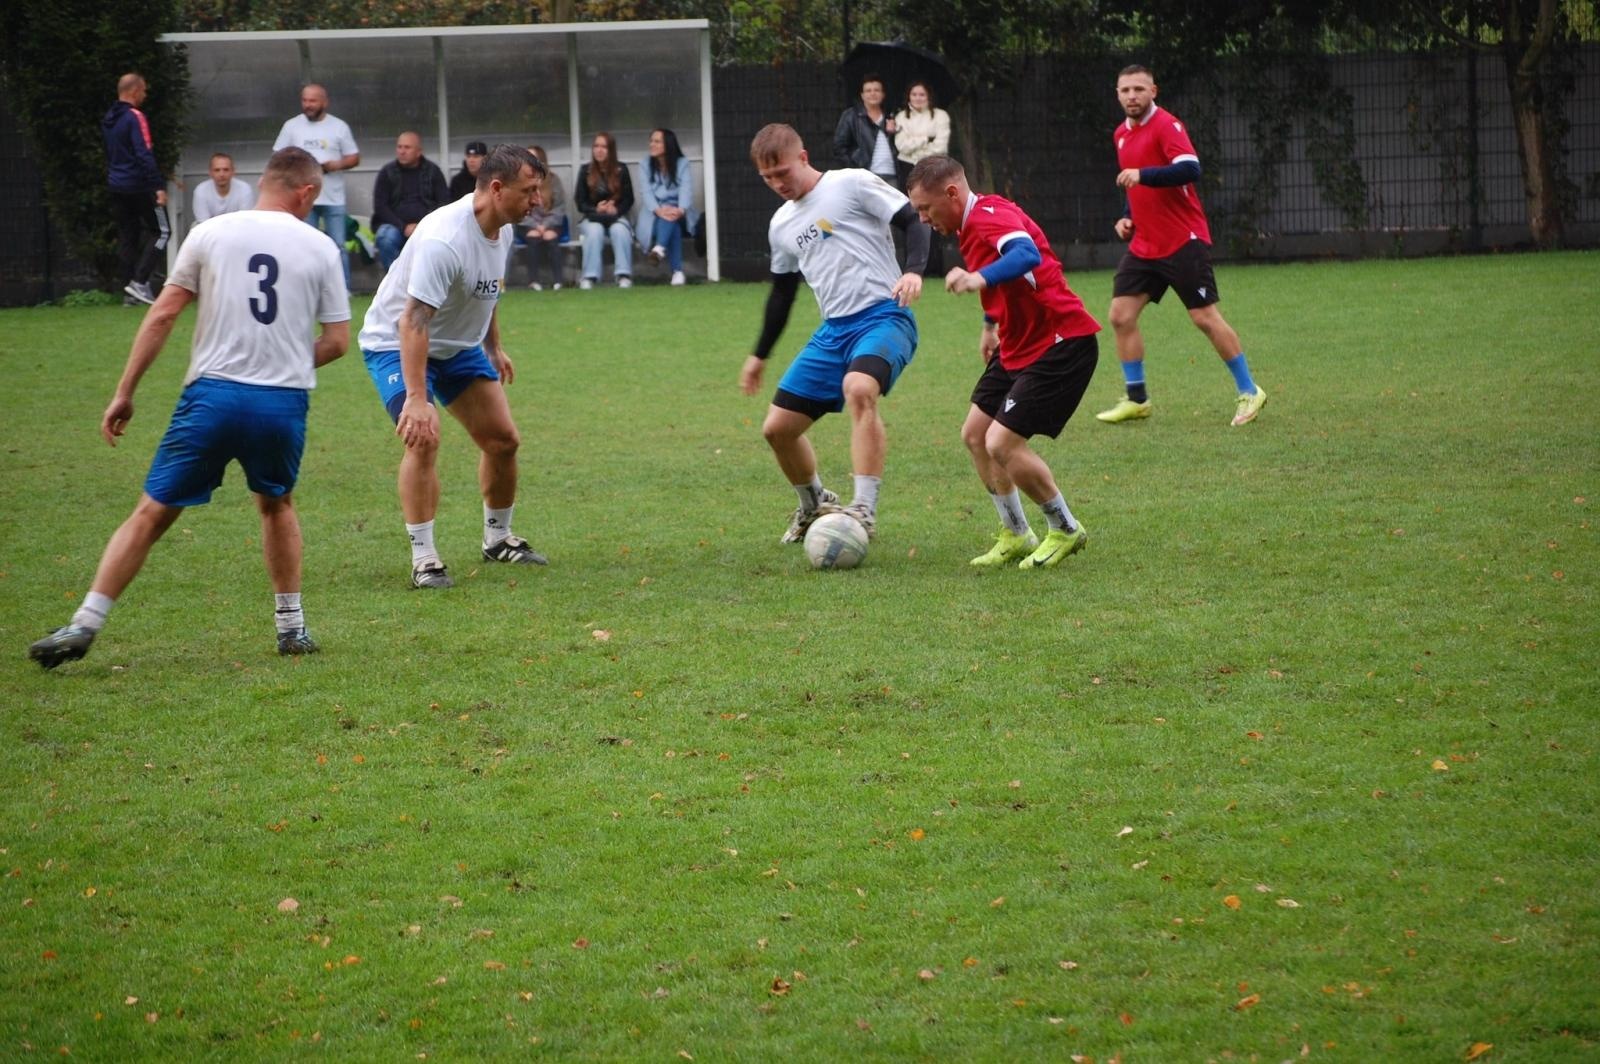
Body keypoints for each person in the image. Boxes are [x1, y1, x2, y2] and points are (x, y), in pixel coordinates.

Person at [28, 148, 351, 670]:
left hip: (212, 397)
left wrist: (126, 391)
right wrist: (287, 360)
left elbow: (162, 316)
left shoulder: (210, 232)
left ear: (261, 182)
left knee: (152, 512)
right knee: (276, 504)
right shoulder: (320, 247)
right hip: (280, 403)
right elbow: (337, 342)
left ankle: (85, 623)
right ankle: (291, 628)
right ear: (308, 192)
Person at [357, 144, 549, 590]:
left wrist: (494, 346)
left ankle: (498, 539)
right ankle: (424, 558)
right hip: (396, 342)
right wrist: (419, 399)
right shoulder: (444, 238)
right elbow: (413, 321)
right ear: (497, 188)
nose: (537, 202)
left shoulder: (503, 228)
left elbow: (486, 290)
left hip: (457, 347)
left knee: (503, 441)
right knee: (423, 438)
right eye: (530, 191)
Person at [907, 155, 1101, 570]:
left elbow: (1025, 255)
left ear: (952, 193)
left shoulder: (988, 218)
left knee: (1001, 443)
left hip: (1061, 341)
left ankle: (1065, 527)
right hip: (1018, 343)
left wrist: (979, 279)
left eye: (925, 208)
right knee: (976, 434)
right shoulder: (972, 222)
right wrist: (989, 323)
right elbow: (1007, 277)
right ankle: (1016, 532)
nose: (922, 219)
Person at [740, 123, 929, 544]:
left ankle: (863, 509)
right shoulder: (781, 225)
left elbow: (914, 220)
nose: (777, 184)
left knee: (859, 388)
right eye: (767, 178)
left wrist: (914, 270)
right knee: (777, 429)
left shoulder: (852, 183)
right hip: (833, 332)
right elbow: (782, 293)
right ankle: (814, 503)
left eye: (783, 172)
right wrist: (760, 354)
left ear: (803, 158)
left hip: (884, 317)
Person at [1098, 65, 1266, 428]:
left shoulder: (1167, 126)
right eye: (1125, 90)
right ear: (1117, 93)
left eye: (1139, 89)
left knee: (1204, 317)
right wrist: (1127, 216)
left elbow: (1190, 168)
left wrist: (1143, 175)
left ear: (1153, 91)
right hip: (1145, 243)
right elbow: (1133, 186)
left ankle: (1250, 390)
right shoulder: (1121, 135)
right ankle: (1137, 399)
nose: (1132, 96)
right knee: (1120, 315)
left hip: (1181, 239)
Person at [272, 83, 359, 288]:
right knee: (304, 246)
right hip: (301, 198)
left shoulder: (339, 126)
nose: (308, 105)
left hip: (333, 197)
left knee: (337, 245)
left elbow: (354, 157)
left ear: (324, 102)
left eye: (313, 100)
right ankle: (305, 286)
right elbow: (278, 156)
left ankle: (342, 289)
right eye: (305, 100)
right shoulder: (291, 126)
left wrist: (335, 165)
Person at [102, 72, 170, 306]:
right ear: (134, 91)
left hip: (117, 186)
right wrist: (158, 186)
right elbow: (144, 153)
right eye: (143, 90)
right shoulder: (135, 117)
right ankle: (140, 283)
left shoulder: (110, 117)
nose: (145, 94)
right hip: (139, 185)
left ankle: (129, 293)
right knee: (162, 232)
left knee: (128, 236)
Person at [371, 131, 450, 270]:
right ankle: (395, 280)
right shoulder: (387, 172)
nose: (402, 151)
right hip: (395, 226)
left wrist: (421, 225)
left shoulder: (433, 171)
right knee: (384, 237)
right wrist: (403, 226)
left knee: (438, 241)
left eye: (407, 147)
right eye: (399, 147)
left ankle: (422, 283)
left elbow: (443, 203)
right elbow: (380, 206)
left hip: (427, 227)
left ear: (418, 151)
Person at [573, 132, 634, 289]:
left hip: (616, 217)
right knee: (594, 231)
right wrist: (596, 208)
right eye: (596, 146)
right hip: (592, 218)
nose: (599, 150)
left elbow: (629, 199)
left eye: (604, 147)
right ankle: (589, 277)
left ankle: (623, 275)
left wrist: (615, 209)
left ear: (611, 150)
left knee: (620, 230)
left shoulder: (622, 169)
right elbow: (580, 202)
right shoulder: (585, 170)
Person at [639, 128, 696, 287]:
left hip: (680, 212)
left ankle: (659, 250)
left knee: (673, 220)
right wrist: (659, 210)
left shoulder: (682, 163)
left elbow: (686, 189)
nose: (652, 144)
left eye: (657, 141)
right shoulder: (644, 164)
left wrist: (680, 209)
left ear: (668, 144)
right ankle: (677, 271)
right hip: (653, 214)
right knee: (673, 226)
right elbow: (646, 192)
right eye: (651, 141)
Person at [833, 74, 901, 186]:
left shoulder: (891, 116)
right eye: (868, 91)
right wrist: (854, 168)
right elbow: (839, 148)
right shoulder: (851, 116)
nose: (872, 93)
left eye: (877, 90)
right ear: (862, 95)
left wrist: (893, 133)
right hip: (866, 177)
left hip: (892, 176)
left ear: (883, 94)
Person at [520, 144, 567, 291]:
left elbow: (560, 207)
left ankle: (558, 281)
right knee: (532, 237)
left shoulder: (554, 180)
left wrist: (545, 225)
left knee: (550, 237)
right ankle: (533, 281)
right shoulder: (519, 182)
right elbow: (518, 208)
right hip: (527, 223)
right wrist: (535, 225)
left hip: (551, 223)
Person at [893, 82, 951, 184]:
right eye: (914, 95)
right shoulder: (900, 117)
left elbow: (940, 147)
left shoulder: (941, 116)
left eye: (922, 95)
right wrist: (926, 139)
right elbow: (902, 146)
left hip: (934, 166)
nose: (917, 98)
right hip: (907, 167)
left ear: (929, 96)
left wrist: (916, 154)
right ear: (909, 96)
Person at [191, 152, 254, 223]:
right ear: (210, 172)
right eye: (217, 170)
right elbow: (203, 222)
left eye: (226, 170)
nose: (221, 174)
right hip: (209, 231)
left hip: (237, 230)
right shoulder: (201, 190)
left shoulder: (244, 189)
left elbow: (244, 221)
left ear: (233, 171)